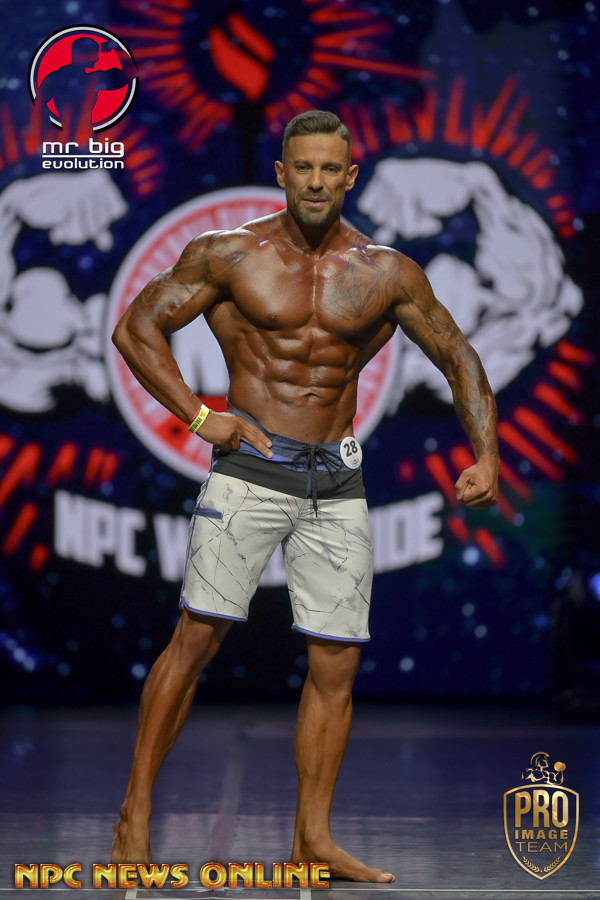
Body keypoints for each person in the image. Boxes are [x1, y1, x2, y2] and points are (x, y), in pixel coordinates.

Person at [110, 109, 499, 882]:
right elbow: (135, 327)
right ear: (282, 173)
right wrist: (201, 417)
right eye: (304, 168)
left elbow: (458, 355)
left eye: (330, 169)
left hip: (337, 482)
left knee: (335, 662)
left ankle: (311, 840)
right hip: (251, 473)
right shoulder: (230, 254)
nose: (316, 182)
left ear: (349, 177)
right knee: (197, 639)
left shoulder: (386, 272)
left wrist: (486, 453)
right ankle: (135, 815)